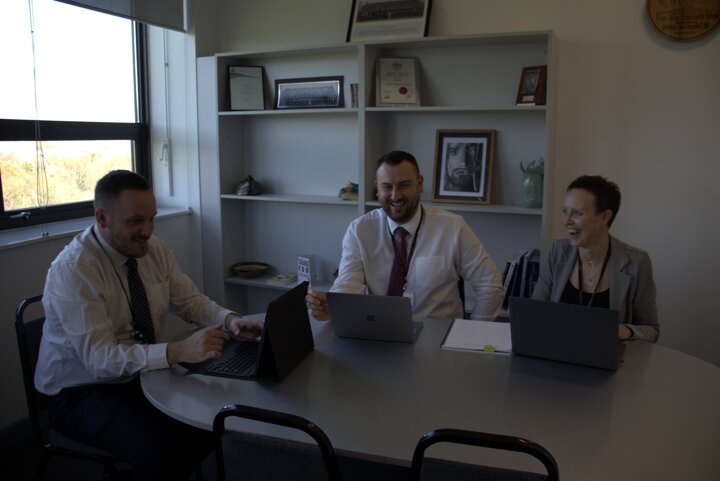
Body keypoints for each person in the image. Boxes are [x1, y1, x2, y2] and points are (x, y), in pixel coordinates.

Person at [34, 170, 263, 480]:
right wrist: (176, 351)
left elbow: (190, 301)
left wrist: (231, 320)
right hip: (80, 391)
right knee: (161, 450)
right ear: (102, 218)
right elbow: (100, 360)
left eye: (152, 219)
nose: (148, 231)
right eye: (136, 221)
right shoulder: (75, 270)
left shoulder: (153, 250)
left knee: (213, 418)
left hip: (139, 374)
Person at [306, 150, 504, 322]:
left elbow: (490, 285)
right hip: (380, 334)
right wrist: (332, 307)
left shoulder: (452, 227)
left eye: (404, 185)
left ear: (420, 184)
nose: (396, 195)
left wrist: (470, 334)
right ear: (377, 189)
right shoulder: (360, 230)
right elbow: (348, 284)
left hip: (437, 339)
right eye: (387, 187)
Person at [531, 175, 659, 342]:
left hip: (608, 358)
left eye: (577, 213)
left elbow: (652, 331)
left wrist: (626, 330)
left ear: (605, 217)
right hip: (557, 353)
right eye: (565, 211)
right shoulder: (557, 251)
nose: (566, 221)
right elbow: (534, 313)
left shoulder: (637, 262)